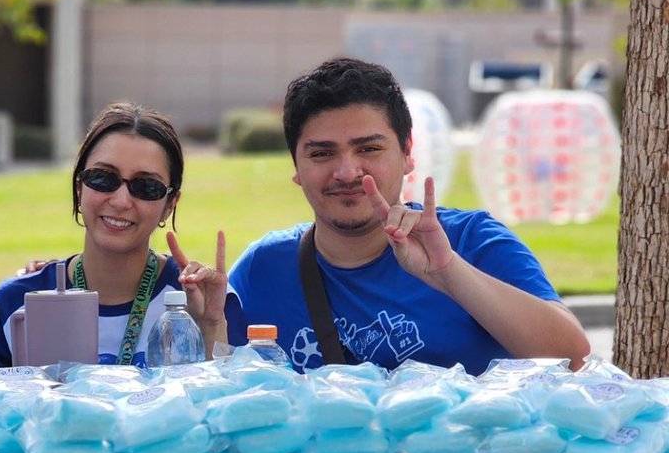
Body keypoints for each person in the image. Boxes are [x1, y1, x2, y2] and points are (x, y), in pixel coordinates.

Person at [228, 58, 590, 375]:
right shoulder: (263, 268)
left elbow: (571, 355)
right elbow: (215, 383)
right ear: (297, 167)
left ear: (407, 154)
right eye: (322, 154)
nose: (347, 172)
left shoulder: (472, 240)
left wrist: (448, 272)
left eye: (369, 148)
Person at [0, 102, 240, 367]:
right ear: (80, 188)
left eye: (146, 186)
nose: (121, 200)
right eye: (103, 178)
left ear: (169, 206)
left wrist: (210, 325)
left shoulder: (205, 302)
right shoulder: (15, 303)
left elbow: (228, 405)